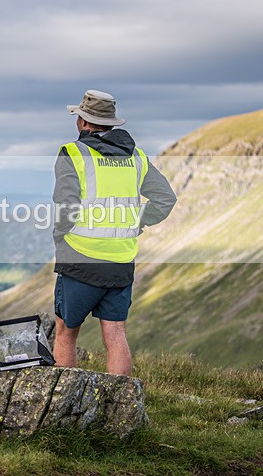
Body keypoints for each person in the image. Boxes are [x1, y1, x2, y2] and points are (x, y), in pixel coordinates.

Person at [51, 90, 176, 375]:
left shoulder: (73, 153)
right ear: (111, 123)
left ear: (83, 122)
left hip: (80, 258)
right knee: (115, 333)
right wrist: (137, 222)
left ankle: (63, 401)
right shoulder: (137, 158)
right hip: (121, 259)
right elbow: (166, 199)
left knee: (66, 330)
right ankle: (121, 405)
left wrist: (60, 236)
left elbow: (66, 206)